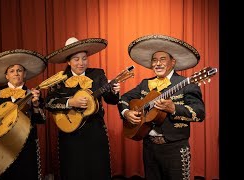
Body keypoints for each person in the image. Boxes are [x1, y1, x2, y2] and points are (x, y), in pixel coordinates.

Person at [117, 34, 205, 180]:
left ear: (173, 62)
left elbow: (200, 113)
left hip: (175, 149)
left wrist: (174, 109)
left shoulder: (187, 83)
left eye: (162, 59)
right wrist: (126, 112)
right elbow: (124, 98)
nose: (158, 63)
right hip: (149, 148)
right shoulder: (145, 83)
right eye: (154, 60)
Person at [45, 37, 120, 180]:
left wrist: (114, 91)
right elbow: (49, 103)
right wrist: (71, 102)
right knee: (73, 170)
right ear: (68, 61)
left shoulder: (97, 74)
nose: (81, 63)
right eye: (76, 59)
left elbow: (111, 100)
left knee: (98, 169)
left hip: (95, 131)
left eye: (84, 58)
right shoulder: (59, 79)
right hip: (70, 133)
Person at [0, 49, 47, 179]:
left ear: (24, 74)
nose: (16, 73)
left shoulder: (32, 93)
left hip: (26, 143)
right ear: (6, 76)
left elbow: (41, 120)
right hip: (1, 144)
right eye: (12, 71)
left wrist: (36, 104)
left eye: (19, 70)